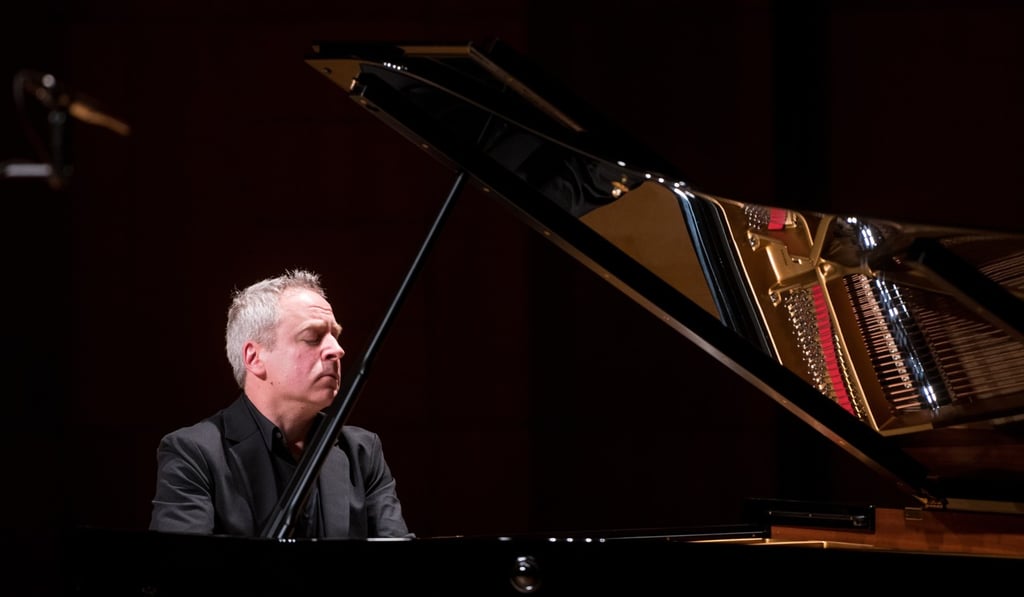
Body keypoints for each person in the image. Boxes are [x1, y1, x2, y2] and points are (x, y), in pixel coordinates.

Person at [149, 268, 412, 539]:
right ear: (254, 358)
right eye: (313, 337)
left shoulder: (362, 452)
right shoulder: (194, 454)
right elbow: (183, 574)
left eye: (335, 335)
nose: (337, 349)